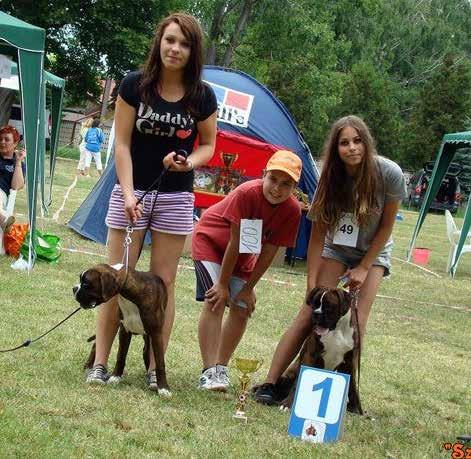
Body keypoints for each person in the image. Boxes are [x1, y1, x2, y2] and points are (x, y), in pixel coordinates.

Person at [86, 12, 217, 389]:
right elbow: (122, 143)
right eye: (170, 40)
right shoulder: (134, 86)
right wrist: (127, 194)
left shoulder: (201, 96)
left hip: (176, 196)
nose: (175, 49)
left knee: (165, 284)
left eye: (185, 43)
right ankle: (100, 362)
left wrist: (187, 162)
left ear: (193, 52)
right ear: (159, 42)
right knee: (113, 278)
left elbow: (208, 145)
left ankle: (154, 368)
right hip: (131, 191)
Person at [254, 115, 407, 404]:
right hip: (337, 248)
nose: (352, 148)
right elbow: (317, 234)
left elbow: (386, 226)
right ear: (336, 148)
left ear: (367, 141)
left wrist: (364, 267)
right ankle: (272, 383)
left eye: (357, 140)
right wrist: (311, 283)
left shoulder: (389, 173)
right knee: (308, 314)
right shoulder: (329, 177)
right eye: (344, 143)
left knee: (356, 322)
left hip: (373, 250)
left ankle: (342, 393)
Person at [193, 150, 303, 391]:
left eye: (286, 184)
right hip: (211, 242)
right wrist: (222, 285)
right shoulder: (246, 192)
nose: (277, 188)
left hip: (242, 254)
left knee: (242, 308)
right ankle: (208, 370)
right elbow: (235, 240)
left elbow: (269, 251)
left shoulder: (293, 211)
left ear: (294, 186)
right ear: (263, 175)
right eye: (273, 179)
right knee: (215, 300)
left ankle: (221, 368)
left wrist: (248, 288)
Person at [0, 125, 25, 233]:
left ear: (15, 143)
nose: (2, 142)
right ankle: (3, 219)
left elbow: (16, 186)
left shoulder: (18, 164)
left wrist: (18, 161)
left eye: (7, 139)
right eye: (0, 139)